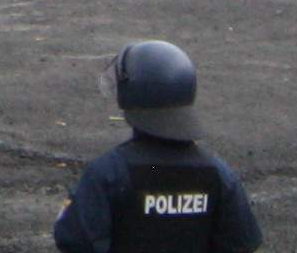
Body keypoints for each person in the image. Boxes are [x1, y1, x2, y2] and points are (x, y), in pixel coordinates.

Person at [50, 40, 264, 253]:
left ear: (131, 93)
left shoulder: (108, 173)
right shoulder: (219, 174)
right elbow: (242, 242)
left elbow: (77, 241)